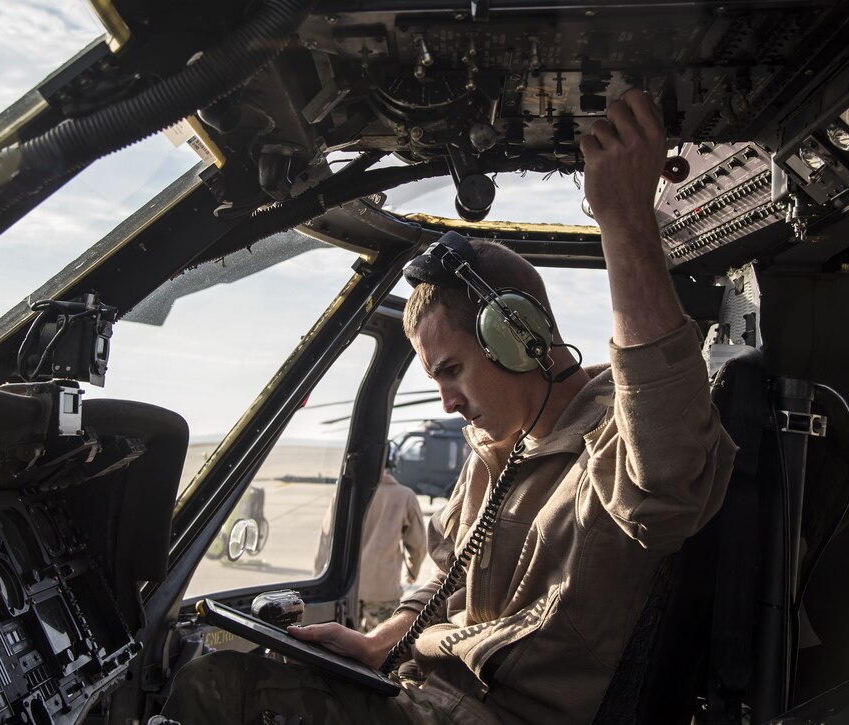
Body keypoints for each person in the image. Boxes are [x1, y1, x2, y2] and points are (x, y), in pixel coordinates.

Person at [162, 89, 737, 724]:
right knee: (207, 665)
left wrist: (625, 217)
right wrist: (382, 642)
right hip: (423, 693)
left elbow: (668, 478)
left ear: (520, 336)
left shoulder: (615, 437)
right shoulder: (496, 448)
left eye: (453, 369)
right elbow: (443, 568)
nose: (446, 400)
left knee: (215, 693)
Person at [313, 466, 427, 632]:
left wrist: (319, 577)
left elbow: (326, 537)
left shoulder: (344, 492)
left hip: (346, 589)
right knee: (380, 650)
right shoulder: (405, 496)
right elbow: (417, 545)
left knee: (342, 650)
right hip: (383, 590)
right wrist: (413, 570)